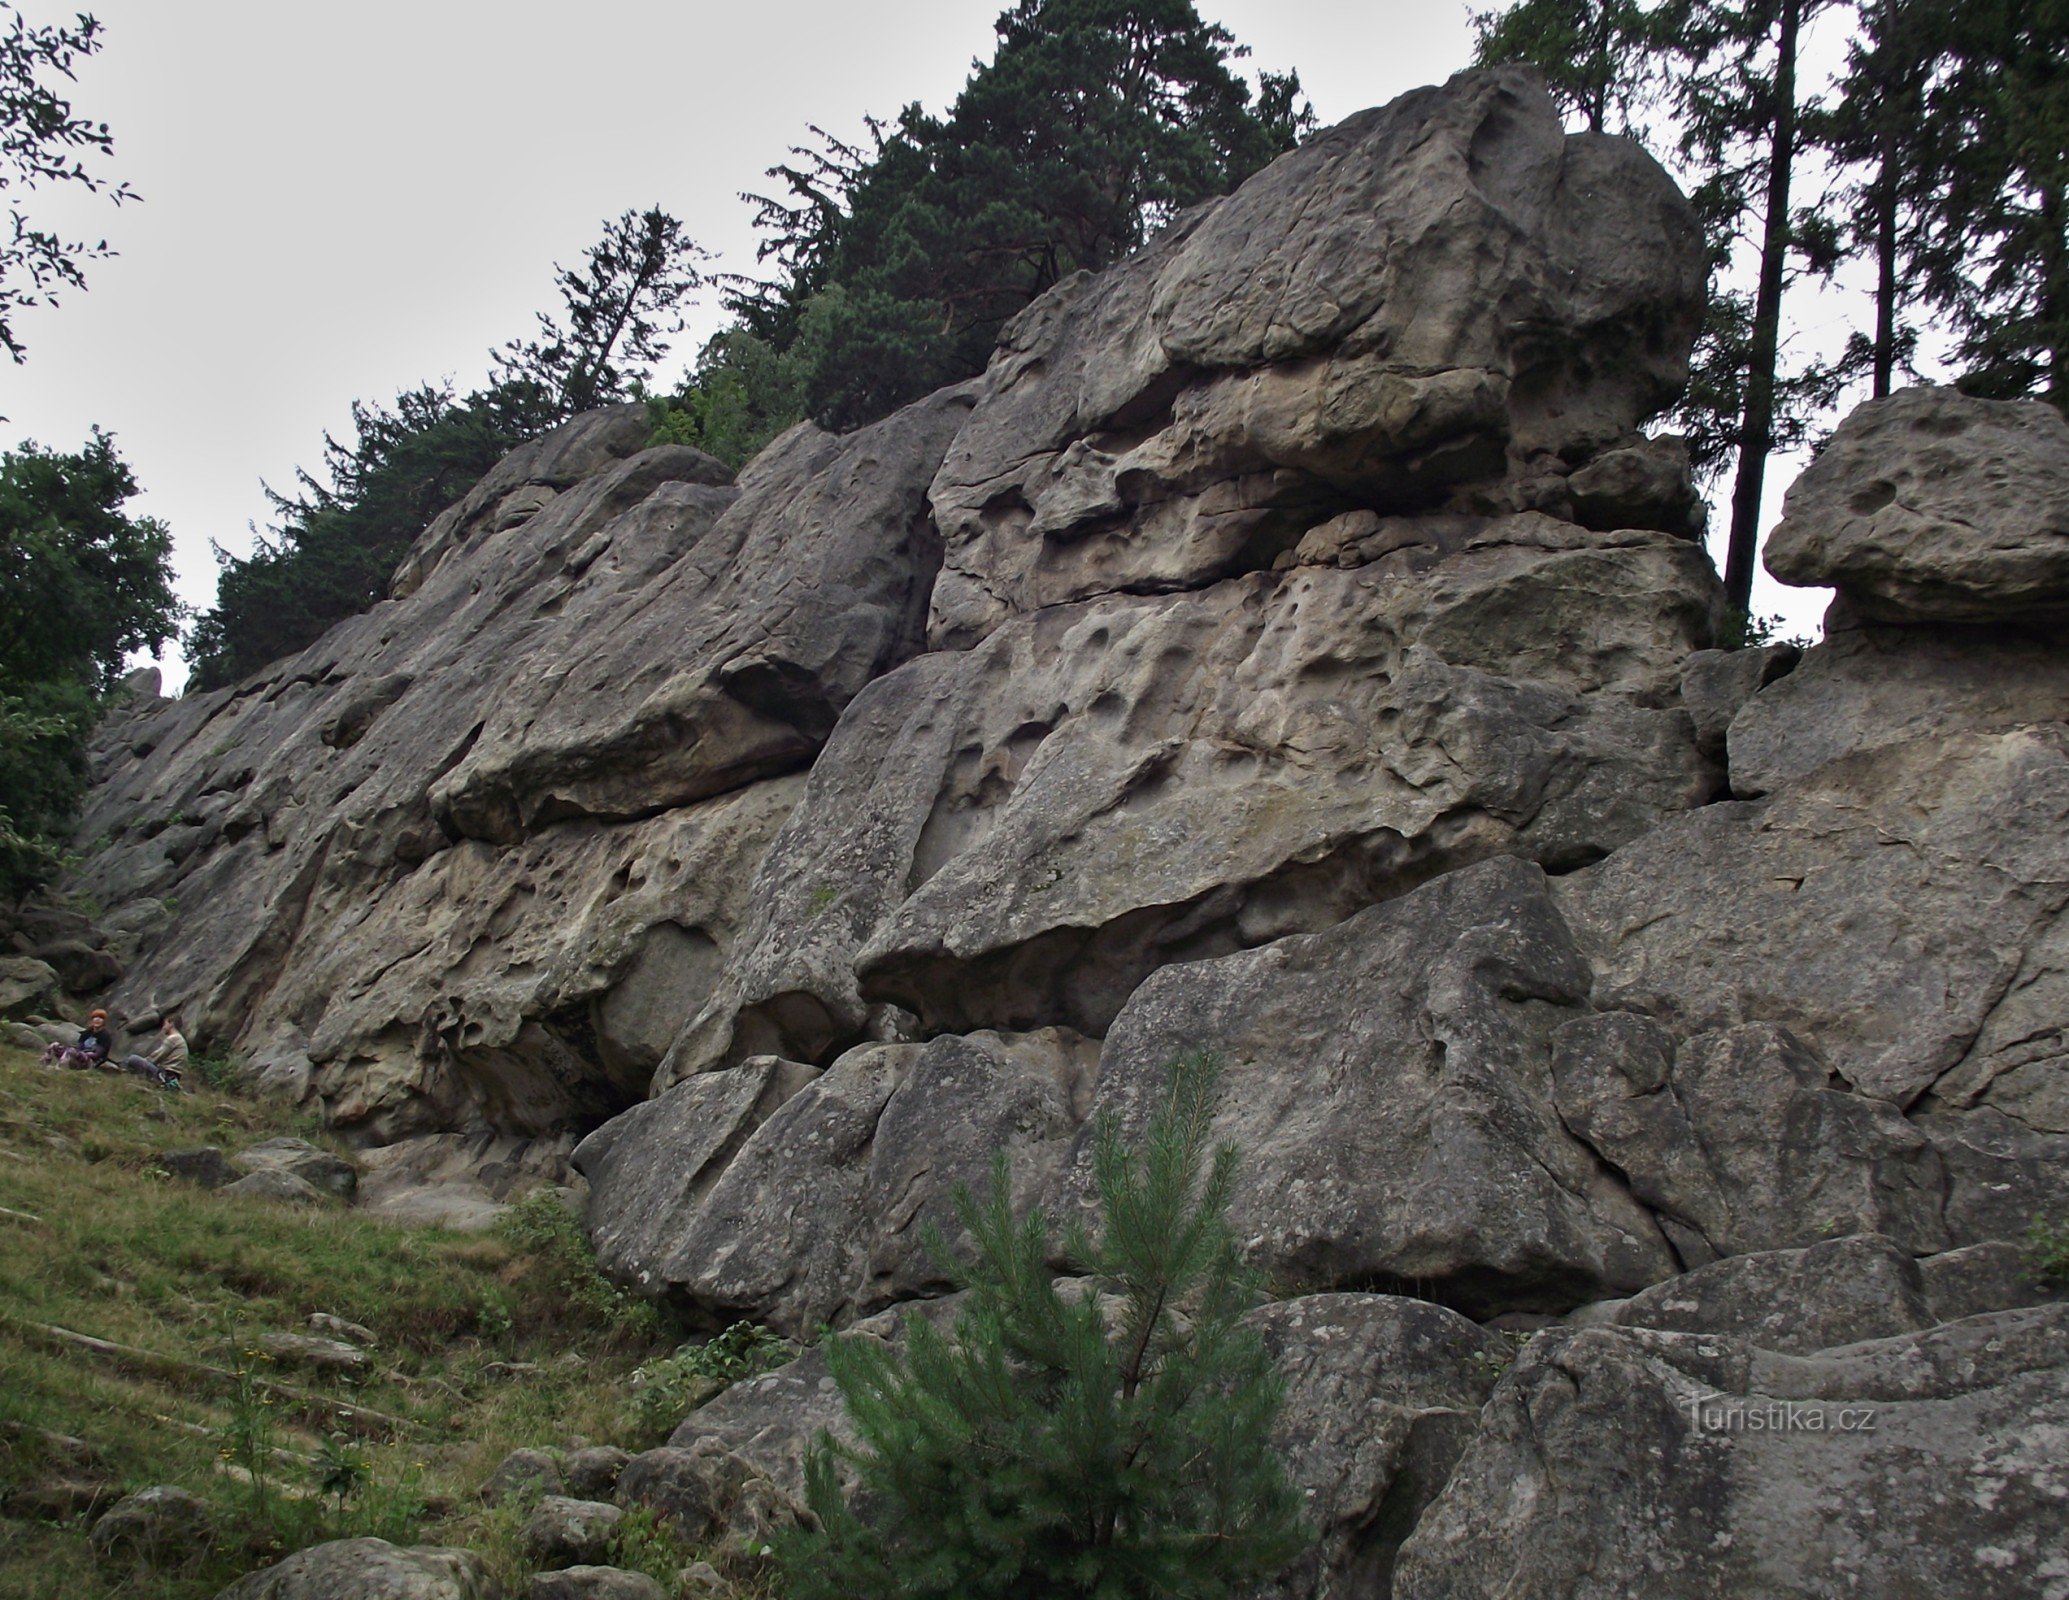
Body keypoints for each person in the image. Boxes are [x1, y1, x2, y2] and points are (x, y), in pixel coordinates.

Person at [121, 1014, 188, 1091]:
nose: (163, 1028)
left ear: (171, 1024)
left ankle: (118, 1074)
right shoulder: (180, 1039)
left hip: (164, 1075)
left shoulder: (173, 1039)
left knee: (133, 1059)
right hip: (173, 1076)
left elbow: (156, 1057)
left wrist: (143, 1062)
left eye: (165, 1024)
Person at [42, 1009, 115, 1070]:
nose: (97, 1020)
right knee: (55, 1045)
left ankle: (59, 1068)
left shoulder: (105, 1036)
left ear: (104, 1021)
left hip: (91, 1062)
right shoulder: (87, 1032)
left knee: (72, 1051)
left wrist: (78, 1053)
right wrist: (76, 1053)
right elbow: (79, 1047)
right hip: (78, 1057)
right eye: (95, 1017)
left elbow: (97, 1055)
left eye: (100, 1018)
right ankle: (44, 1066)